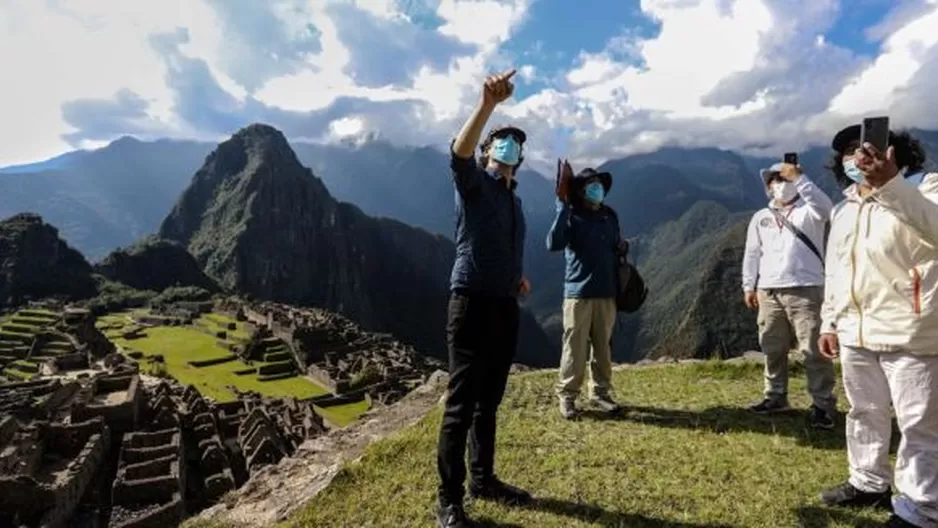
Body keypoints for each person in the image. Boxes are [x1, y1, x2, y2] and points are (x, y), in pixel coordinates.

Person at [817, 125, 938, 528]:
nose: (858, 157)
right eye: (850, 152)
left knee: (919, 423)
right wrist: (829, 321)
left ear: (895, 152)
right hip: (856, 330)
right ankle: (869, 482)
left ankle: (922, 509)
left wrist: (891, 186)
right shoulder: (845, 207)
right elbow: (837, 270)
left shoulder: (926, 188)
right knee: (864, 410)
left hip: (912, 329)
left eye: (867, 147)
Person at [435, 68, 533, 528]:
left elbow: (503, 247)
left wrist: (518, 278)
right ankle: (449, 501)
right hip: (471, 300)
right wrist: (488, 105)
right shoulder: (474, 184)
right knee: (460, 403)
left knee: (488, 401)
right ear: (490, 151)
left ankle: (483, 479)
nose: (509, 147)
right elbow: (457, 155)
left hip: (503, 303)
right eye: (501, 142)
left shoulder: (514, 201)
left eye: (515, 144)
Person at [741, 160, 837, 429]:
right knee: (772, 347)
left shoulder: (809, 213)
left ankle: (822, 405)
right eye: (774, 180)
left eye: (784, 179)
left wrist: (802, 179)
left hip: (806, 288)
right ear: (768, 187)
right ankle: (775, 396)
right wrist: (749, 285)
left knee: (814, 351)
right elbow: (752, 253)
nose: (779, 185)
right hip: (769, 290)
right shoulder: (761, 218)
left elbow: (827, 209)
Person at [546, 162, 624, 419]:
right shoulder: (572, 215)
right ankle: (567, 396)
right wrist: (562, 206)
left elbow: (616, 246)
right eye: (591, 186)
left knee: (603, 347)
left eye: (599, 185)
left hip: (606, 291)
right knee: (575, 347)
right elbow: (553, 243)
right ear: (580, 191)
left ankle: (601, 393)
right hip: (578, 293)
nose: (597, 189)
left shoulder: (609, 216)